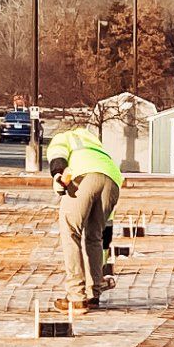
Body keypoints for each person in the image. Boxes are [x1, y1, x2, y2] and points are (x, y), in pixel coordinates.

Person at [46, 124, 123, 312]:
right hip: (113, 180)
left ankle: (76, 296)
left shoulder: (65, 136)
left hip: (84, 175)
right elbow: (107, 226)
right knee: (94, 236)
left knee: (70, 231)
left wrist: (58, 174)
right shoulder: (97, 147)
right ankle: (93, 293)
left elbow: (58, 155)